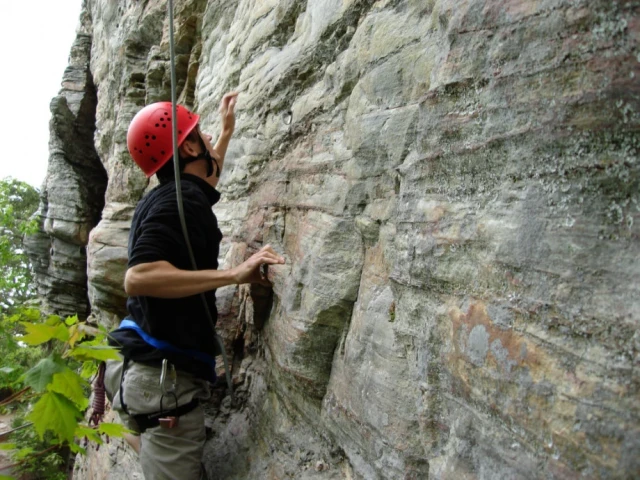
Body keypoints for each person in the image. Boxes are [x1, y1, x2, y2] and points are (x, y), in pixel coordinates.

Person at [103, 92, 285, 480]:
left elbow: (206, 174)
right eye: (198, 134)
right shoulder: (180, 201)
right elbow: (139, 277)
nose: (205, 141)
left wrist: (225, 132)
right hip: (160, 381)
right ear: (187, 145)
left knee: (153, 447)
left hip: (131, 365)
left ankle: (154, 449)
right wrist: (234, 275)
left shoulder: (171, 194)